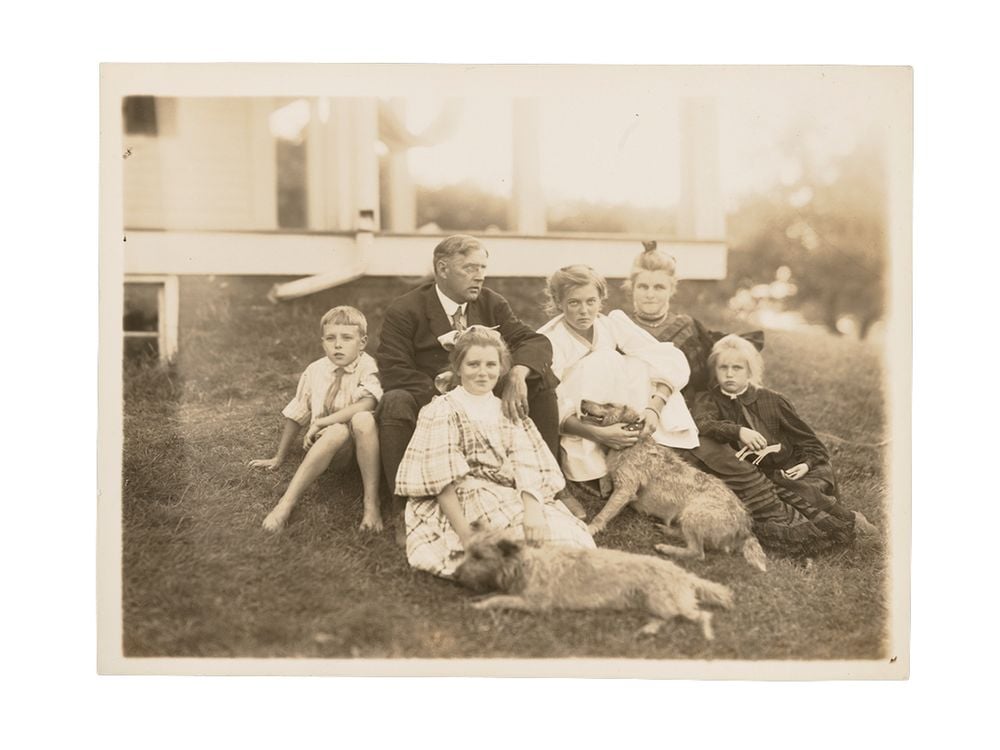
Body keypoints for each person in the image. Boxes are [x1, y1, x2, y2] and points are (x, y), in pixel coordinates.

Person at [624, 241, 856, 553]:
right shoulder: (620, 329)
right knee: (717, 458)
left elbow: (715, 362)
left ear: (671, 290)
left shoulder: (687, 327)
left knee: (753, 452)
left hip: (696, 413)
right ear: (632, 288)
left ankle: (799, 519)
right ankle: (776, 520)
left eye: (659, 287)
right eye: (643, 287)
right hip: (650, 415)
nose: (650, 294)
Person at [376, 234, 568, 542]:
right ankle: (401, 507)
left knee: (540, 379)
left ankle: (552, 487)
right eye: (469, 268)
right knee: (395, 401)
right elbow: (393, 368)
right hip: (430, 397)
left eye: (483, 267)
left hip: (482, 392)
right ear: (442, 268)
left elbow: (533, 341)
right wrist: (447, 391)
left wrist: (518, 373)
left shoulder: (490, 303)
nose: (479, 275)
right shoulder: (406, 309)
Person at [394, 327, 595, 578]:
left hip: (512, 493)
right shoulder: (443, 410)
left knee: (568, 542)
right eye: (473, 364)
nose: (482, 372)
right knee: (516, 556)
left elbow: (527, 461)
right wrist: (467, 536)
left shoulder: (505, 409)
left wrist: (533, 512)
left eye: (491, 365)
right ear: (458, 367)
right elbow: (441, 478)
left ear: (502, 368)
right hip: (464, 498)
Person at [692, 334, 877, 540]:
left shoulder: (773, 400)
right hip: (750, 476)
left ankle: (851, 522)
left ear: (750, 371)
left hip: (789, 468)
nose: (729, 375)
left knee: (807, 495)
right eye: (723, 368)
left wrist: (805, 465)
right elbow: (703, 423)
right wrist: (738, 431)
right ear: (714, 370)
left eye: (737, 368)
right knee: (767, 511)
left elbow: (811, 444)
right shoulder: (708, 399)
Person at [537, 265, 697, 492]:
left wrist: (654, 407)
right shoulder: (550, 340)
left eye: (591, 301)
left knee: (639, 362)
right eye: (574, 303)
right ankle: (594, 468)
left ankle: (651, 443)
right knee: (605, 358)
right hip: (580, 421)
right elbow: (551, 404)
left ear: (601, 300)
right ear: (558, 301)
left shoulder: (608, 323)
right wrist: (599, 434)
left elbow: (667, 357)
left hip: (607, 409)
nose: (584, 310)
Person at [248, 306, 383, 533]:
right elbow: (297, 412)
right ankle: (285, 505)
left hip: (363, 447)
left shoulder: (368, 365)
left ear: (362, 342)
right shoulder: (315, 370)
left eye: (347, 338)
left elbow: (368, 403)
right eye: (330, 338)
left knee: (363, 419)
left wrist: (322, 421)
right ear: (322, 342)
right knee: (337, 431)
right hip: (328, 448)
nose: (337, 345)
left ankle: (371, 504)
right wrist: (278, 457)